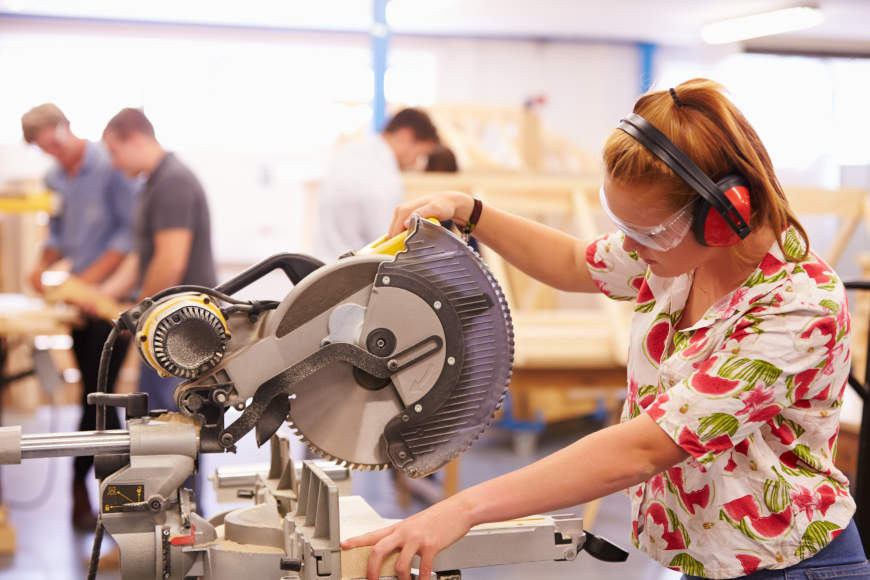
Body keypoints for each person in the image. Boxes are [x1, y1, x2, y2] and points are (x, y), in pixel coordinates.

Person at [342, 79, 867, 580]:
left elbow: (644, 449)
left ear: (723, 216)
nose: (630, 248)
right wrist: (469, 210)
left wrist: (465, 508)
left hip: (794, 565)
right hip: (713, 559)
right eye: (624, 228)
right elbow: (575, 260)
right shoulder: (681, 257)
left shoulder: (798, 307)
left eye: (646, 232)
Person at [21, 103, 139, 530]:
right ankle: (89, 497)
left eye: (54, 143)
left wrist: (89, 283)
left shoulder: (110, 166)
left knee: (104, 401)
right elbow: (58, 236)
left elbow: (128, 236)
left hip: (112, 303)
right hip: (79, 304)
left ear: (66, 127)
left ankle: (106, 500)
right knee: (93, 396)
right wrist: (42, 263)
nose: (52, 153)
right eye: (42, 149)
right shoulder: (55, 178)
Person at [98, 108, 217, 412]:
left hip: (182, 333)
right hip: (167, 326)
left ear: (135, 139)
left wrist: (139, 316)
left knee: (173, 429)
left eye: (115, 152)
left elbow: (170, 261)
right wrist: (103, 297)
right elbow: (142, 256)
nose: (114, 163)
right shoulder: (153, 183)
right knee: (159, 423)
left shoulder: (173, 182)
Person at [314, 108, 439, 261]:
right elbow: (388, 240)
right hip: (353, 273)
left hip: (325, 262)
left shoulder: (351, 152)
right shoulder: (383, 176)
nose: (416, 163)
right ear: (405, 135)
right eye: (420, 154)